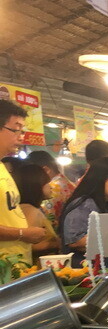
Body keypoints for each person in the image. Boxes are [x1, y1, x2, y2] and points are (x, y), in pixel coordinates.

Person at [0, 100, 46, 262]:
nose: (21, 137)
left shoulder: (2, 167)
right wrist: (22, 234)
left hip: (14, 264)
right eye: (16, 130)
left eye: (22, 131)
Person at [59, 157, 108, 267]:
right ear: (101, 180)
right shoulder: (84, 204)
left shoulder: (106, 203)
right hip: (86, 270)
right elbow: (75, 241)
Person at [12, 163, 59, 259]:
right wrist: (57, 244)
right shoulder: (30, 210)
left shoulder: (30, 208)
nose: (50, 187)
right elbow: (27, 245)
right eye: (47, 183)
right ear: (36, 186)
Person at [25, 150, 76, 228]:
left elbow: (46, 219)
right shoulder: (67, 183)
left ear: (46, 170)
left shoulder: (51, 189)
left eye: (32, 173)